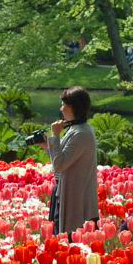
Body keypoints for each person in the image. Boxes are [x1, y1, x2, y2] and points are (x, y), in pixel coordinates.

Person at [45, 87, 99, 236]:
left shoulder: (81, 133)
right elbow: (63, 159)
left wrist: (55, 136)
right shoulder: (76, 129)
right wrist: (48, 145)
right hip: (65, 192)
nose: (61, 108)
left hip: (75, 198)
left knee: (71, 240)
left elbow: (60, 164)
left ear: (73, 107)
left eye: (63, 104)